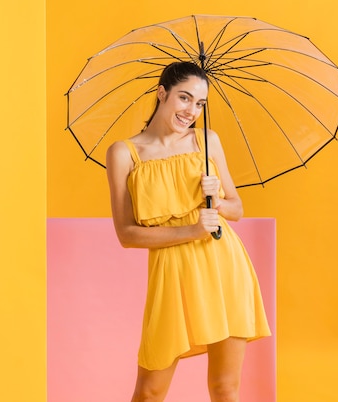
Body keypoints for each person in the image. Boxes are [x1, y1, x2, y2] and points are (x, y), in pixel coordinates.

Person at [106, 61, 271, 402]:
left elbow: (237, 208)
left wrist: (218, 200)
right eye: (184, 98)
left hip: (224, 265)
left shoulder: (208, 141)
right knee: (150, 392)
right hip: (172, 275)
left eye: (200, 104)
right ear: (161, 93)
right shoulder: (124, 153)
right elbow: (126, 234)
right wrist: (193, 229)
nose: (191, 111)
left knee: (225, 388)